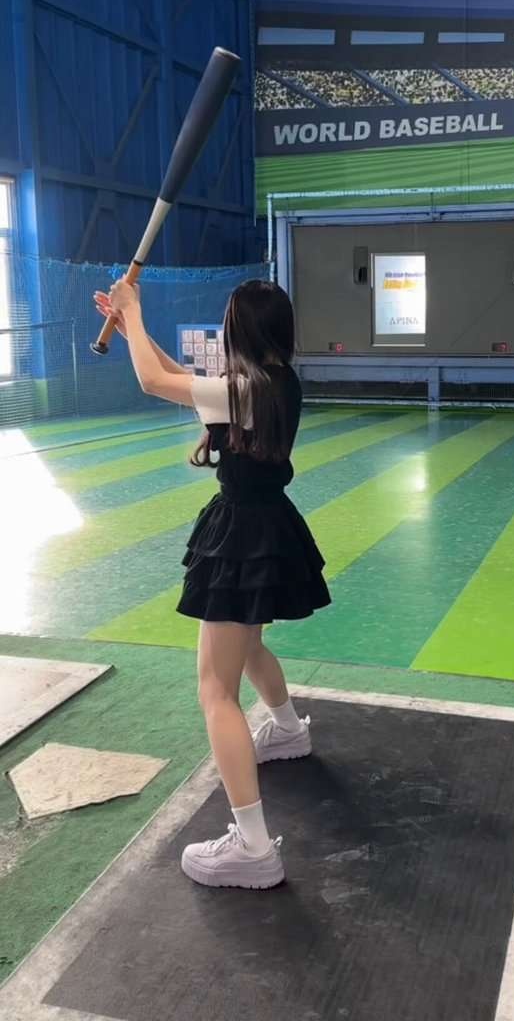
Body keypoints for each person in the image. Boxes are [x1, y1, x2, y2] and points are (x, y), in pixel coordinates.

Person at [95, 279, 331, 890]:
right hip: (269, 526)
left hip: (242, 535)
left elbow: (154, 383)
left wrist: (133, 311)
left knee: (215, 691)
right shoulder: (276, 381)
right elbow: (181, 381)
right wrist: (133, 326)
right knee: (247, 644)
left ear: (239, 329)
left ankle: (253, 849)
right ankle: (287, 729)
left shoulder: (245, 390)